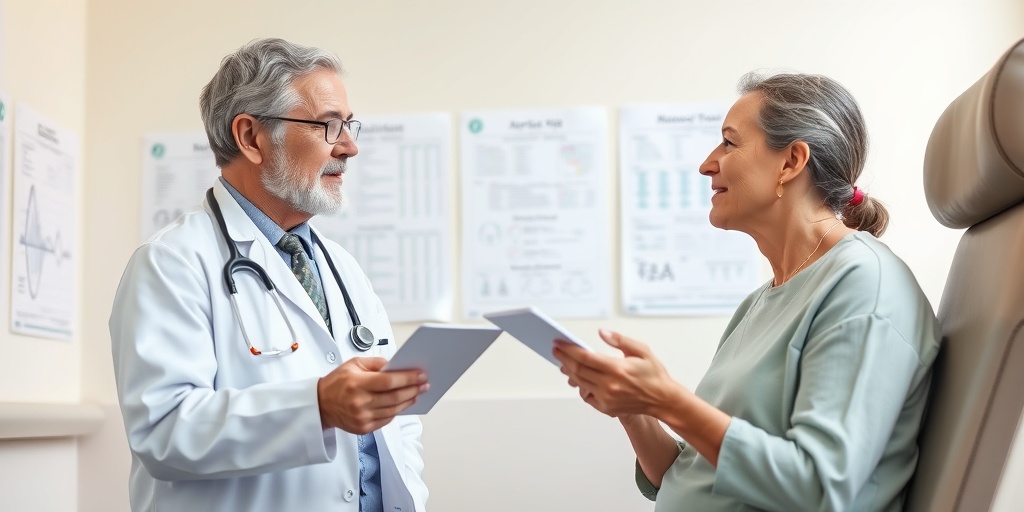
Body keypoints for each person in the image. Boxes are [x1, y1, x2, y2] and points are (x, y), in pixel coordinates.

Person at [554, 73, 941, 511]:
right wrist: (637, 412)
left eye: (729, 142)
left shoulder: (865, 287)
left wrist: (668, 400)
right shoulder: (759, 303)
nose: (707, 164)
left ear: (791, 162)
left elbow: (818, 489)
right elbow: (694, 476)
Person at [110, 38, 429, 512]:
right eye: (329, 125)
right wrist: (317, 407)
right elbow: (164, 431)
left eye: (349, 124)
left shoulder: (343, 268)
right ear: (251, 137)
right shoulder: (171, 263)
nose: (350, 146)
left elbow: (399, 427)